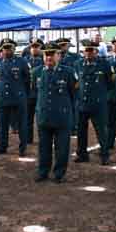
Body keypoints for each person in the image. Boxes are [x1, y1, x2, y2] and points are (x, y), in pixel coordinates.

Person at [33, 42, 77, 183]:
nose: (49, 57)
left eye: (52, 54)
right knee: (43, 147)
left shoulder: (68, 72)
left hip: (62, 116)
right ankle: (43, 171)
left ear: (59, 55)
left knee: (62, 148)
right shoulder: (37, 72)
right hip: (44, 116)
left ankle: (59, 173)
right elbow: (34, 93)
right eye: (46, 54)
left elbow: (74, 94)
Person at [74, 39, 112, 165]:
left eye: (91, 50)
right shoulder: (78, 64)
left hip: (98, 104)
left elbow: (110, 83)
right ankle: (82, 154)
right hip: (82, 103)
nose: (89, 53)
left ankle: (105, 155)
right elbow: (76, 83)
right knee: (81, 131)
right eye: (86, 50)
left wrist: (101, 95)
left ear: (96, 51)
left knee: (101, 131)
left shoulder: (104, 64)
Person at [0, 39, 30, 157]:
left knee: (21, 124)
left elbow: (27, 80)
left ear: (14, 49)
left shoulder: (21, 61)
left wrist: (24, 95)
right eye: (5, 48)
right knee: (2, 125)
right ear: (1, 49)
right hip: (3, 98)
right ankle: (2, 146)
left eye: (9, 47)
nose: (7, 50)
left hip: (18, 97)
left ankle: (22, 147)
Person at [23, 38, 45, 144]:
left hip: (40, 94)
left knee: (41, 119)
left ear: (40, 48)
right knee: (28, 118)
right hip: (28, 93)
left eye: (37, 47)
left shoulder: (43, 61)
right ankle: (28, 139)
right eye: (33, 47)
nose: (34, 49)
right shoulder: (24, 60)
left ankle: (43, 138)